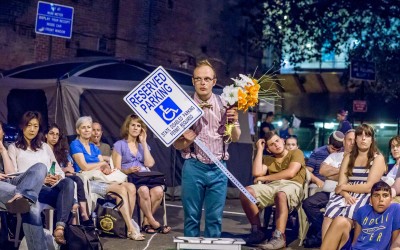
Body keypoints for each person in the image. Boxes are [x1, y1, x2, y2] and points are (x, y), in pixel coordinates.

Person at [173, 59, 241, 238]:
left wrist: (232, 124)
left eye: (207, 79)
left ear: (214, 81)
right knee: (191, 218)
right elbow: (176, 144)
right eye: (198, 79)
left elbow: (235, 137)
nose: (203, 83)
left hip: (219, 167)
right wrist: (186, 140)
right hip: (193, 166)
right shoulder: (184, 107)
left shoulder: (226, 105)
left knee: (214, 218)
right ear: (193, 81)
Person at [70, 116, 144, 241]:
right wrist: (101, 164)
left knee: (130, 187)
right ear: (78, 130)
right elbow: (84, 166)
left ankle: (126, 225)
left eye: (89, 127)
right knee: (120, 190)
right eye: (84, 128)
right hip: (88, 182)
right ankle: (131, 229)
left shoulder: (94, 147)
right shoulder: (75, 144)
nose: (87, 130)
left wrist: (106, 168)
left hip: (101, 178)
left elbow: (103, 165)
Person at [7, 111, 75, 245]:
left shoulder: (44, 147)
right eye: (29, 125)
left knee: (68, 182)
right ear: (22, 126)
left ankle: (59, 228)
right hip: (31, 191)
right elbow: (14, 176)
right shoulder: (14, 148)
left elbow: (57, 168)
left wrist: (57, 176)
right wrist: (40, 179)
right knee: (69, 199)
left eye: (36, 126)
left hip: (49, 188)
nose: (32, 129)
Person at [321, 124, 386, 249]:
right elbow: (340, 184)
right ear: (355, 139)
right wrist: (344, 192)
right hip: (344, 194)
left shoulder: (377, 158)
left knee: (352, 210)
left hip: (365, 195)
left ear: (372, 139)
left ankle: (349, 244)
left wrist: (344, 188)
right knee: (331, 210)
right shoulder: (348, 157)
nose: (363, 138)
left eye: (367, 135)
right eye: (360, 135)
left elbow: (369, 187)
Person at [240, 131, 306, 249]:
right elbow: (256, 173)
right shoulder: (268, 159)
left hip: (292, 185)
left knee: (281, 194)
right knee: (246, 192)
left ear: (282, 140)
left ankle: (279, 237)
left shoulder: (296, 152)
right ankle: (257, 231)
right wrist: (260, 149)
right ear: (269, 149)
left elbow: (291, 173)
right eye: (271, 144)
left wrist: (265, 177)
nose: (276, 145)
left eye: (277, 141)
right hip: (272, 186)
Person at [112, 114, 171, 234]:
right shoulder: (119, 145)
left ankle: (146, 221)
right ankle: (152, 222)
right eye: (133, 125)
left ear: (141, 129)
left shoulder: (143, 145)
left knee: (159, 191)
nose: (135, 128)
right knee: (143, 190)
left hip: (146, 176)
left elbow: (149, 164)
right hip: (131, 178)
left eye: (138, 126)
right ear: (127, 127)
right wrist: (128, 170)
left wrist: (143, 143)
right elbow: (117, 168)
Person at [302, 129, 355, 248]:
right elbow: (323, 170)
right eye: (349, 140)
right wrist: (344, 172)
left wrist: (334, 174)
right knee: (308, 203)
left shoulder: (358, 158)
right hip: (328, 191)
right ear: (344, 141)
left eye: (353, 140)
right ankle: (326, 233)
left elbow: (352, 176)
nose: (351, 142)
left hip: (346, 193)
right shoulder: (335, 156)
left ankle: (323, 237)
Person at [0, 121, 48, 250]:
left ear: (3, 132)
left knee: (40, 167)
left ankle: (23, 195)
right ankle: (24, 197)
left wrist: (2, 150)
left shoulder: (5, 147)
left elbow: (11, 174)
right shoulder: (14, 147)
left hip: (11, 183)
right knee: (31, 205)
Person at [45, 123, 90, 225]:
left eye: (57, 134)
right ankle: (75, 208)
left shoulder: (62, 151)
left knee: (77, 179)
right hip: (52, 178)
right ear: (45, 135)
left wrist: (66, 170)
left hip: (64, 176)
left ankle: (84, 213)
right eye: (52, 133)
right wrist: (64, 170)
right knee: (71, 180)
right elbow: (50, 169)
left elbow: (71, 167)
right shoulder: (42, 150)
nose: (55, 136)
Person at [351, 181, 400, 250]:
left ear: (391, 200)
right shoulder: (362, 211)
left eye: (385, 195)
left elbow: (394, 244)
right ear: (370, 200)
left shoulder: (395, 209)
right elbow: (355, 241)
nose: (381, 200)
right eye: (376, 195)